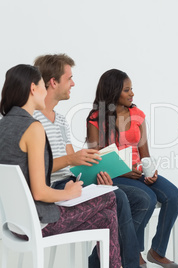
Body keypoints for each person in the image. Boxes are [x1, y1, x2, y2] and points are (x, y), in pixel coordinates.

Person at [0, 64, 122, 268]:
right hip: (38, 224)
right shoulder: (33, 128)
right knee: (109, 196)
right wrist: (70, 192)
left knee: (107, 217)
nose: (45, 91)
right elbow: (39, 193)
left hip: (13, 224)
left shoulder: (4, 124)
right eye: (42, 86)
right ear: (33, 88)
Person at [33, 54, 148, 268]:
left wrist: (94, 169)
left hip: (70, 180)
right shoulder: (33, 120)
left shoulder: (59, 119)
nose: (73, 83)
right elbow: (37, 169)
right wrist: (72, 159)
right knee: (119, 198)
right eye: (69, 78)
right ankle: (129, 264)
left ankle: (100, 261)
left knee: (140, 199)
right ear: (53, 82)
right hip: (54, 189)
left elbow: (70, 163)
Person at [86, 69, 178, 268]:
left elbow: (144, 152)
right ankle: (134, 252)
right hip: (114, 175)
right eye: (127, 90)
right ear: (113, 92)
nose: (132, 94)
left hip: (138, 172)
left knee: (173, 196)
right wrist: (122, 171)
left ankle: (157, 251)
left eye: (132, 89)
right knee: (147, 199)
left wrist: (151, 171)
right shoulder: (96, 118)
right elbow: (95, 159)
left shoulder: (137, 115)